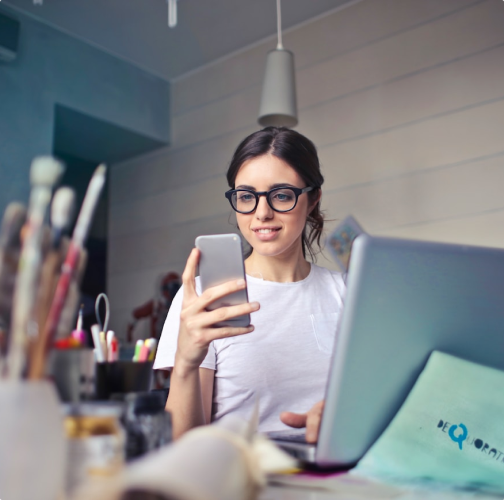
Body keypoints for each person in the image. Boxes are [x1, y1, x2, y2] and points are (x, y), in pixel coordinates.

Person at [154, 127, 345, 441]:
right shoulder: (204, 298)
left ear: (312, 199)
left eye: (281, 195)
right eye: (246, 197)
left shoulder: (347, 293)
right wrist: (186, 362)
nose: (262, 213)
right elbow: (183, 446)